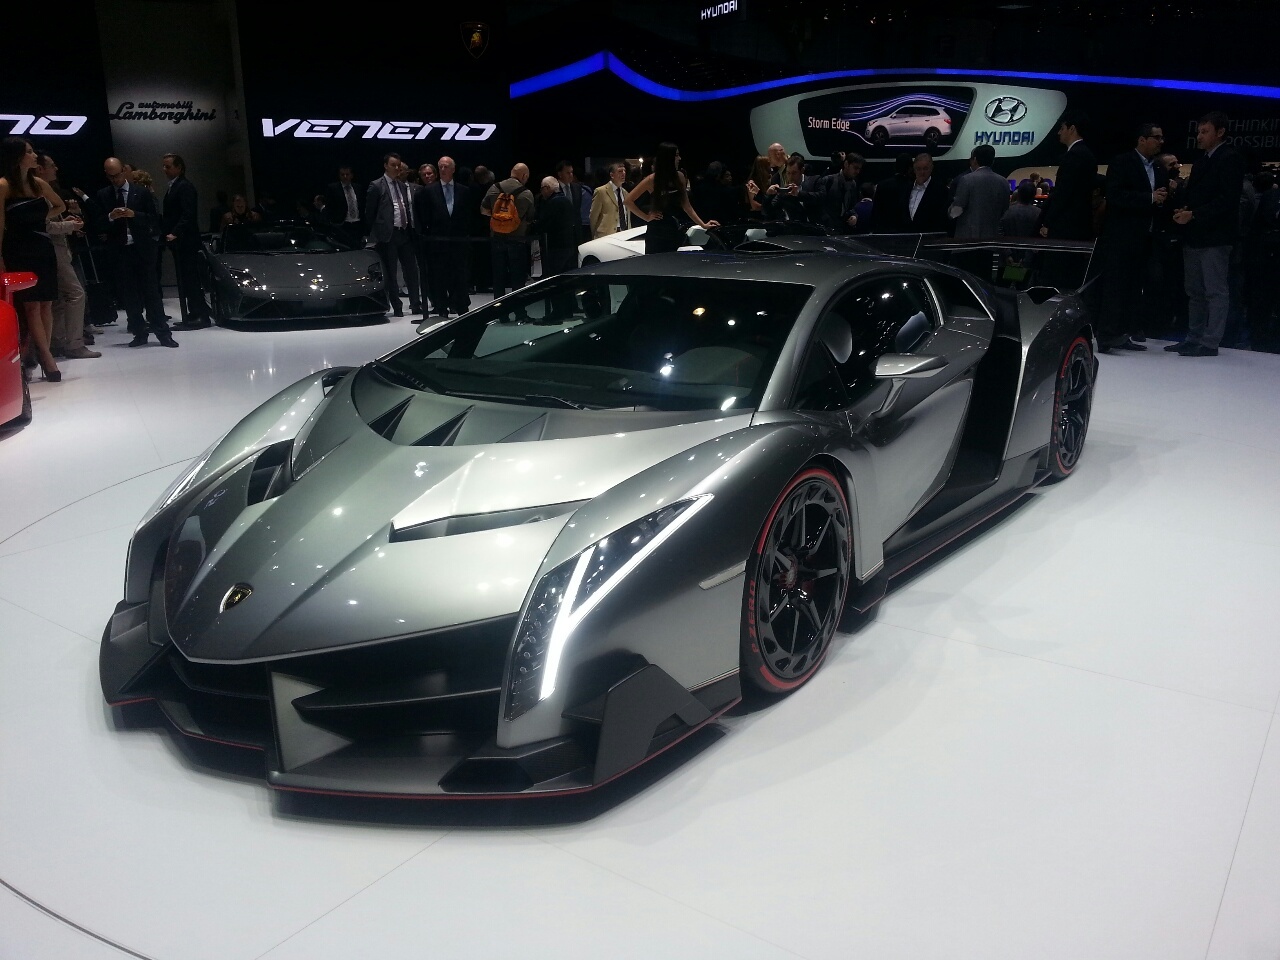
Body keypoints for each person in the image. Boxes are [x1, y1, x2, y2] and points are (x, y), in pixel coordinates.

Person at [1168, 111, 1246, 357]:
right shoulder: (1202, 160)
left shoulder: (1230, 158)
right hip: (1195, 235)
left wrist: (1194, 214)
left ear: (1220, 132)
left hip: (1215, 237)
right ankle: (1194, 337)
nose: (1199, 136)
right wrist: (1185, 210)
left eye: (1205, 132)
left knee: (1214, 290)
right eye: (1198, 132)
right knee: (1195, 291)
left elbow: (1227, 200)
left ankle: (1210, 341)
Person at [1095, 123, 1170, 352]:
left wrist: (1164, 202)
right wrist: (1149, 198)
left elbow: (1159, 198)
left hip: (1147, 237)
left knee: (1134, 288)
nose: (1161, 142)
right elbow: (1115, 196)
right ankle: (1107, 335)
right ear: (1142, 139)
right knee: (1115, 286)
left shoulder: (1159, 168)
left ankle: (1124, 333)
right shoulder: (1122, 162)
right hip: (1121, 236)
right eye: (1157, 137)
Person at [1, 137, 66, 380]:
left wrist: (38, 218)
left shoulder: (38, 183)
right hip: (18, 249)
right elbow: (0, 224)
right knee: (31, 306)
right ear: (17, 156)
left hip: (42, 247)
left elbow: (59, 206)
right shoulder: (4, 185)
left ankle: (40, 353)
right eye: (29, 151)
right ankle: (47, 359)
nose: (34, 155)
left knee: (46, 304)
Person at [95, 157, 176, 347]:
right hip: (120, 251)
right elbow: (97, 224)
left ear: (124, 171)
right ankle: (139, 333)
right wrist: (110, 216)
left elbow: (154, 219)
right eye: (110, 176)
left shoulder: (141, 192)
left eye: (117, 175)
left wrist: (134, 215)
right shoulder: (103, 195)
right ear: (106, 175)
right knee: (129, 295)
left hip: (142, 249)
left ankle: (163, 333)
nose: (115, 179)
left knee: (151, 293)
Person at [34, 153, 98, 360]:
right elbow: (44, 225)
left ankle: (58, 341)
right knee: (76, 293)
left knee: (60, 298)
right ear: (41, 169)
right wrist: (70, 225)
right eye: (52, 165)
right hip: (54, 249)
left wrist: (66, 221)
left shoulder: (40, 189)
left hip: (55, 249)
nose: (56, 169)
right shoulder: (39, 191)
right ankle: (74, 344)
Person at [625, 143, 719, 255]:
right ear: (668, 158)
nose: (680, 158)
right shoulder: (652, 179)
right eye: (677, 155)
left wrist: (703, 225)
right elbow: (628, 201)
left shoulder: (680, 177)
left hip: (673, 229)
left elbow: (687, 206)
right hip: (656, 233)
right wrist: (646, 217)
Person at [412, 156, 471, 317]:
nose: (443, 169)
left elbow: (468, 216)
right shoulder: (428, 191)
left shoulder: (464, 191)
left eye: (446, 166)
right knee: (438, 278)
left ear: (453, 169)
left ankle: (461, 307)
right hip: (437, 243)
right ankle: (441, 309)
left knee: (459, 276)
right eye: (441, 167)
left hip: (458, 243)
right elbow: (424, 216)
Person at [364, 152, 421, 317]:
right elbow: (370, 213)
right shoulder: (376, 186)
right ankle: (397, 306)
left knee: (411, 270)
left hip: (404, 232)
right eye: (393, 165)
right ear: (385, 166)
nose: (396, 168)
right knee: (391, 273)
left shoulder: (402, 186)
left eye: (398, 165)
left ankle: (416, 304)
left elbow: (404, 207)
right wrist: (375, 233)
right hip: (388, 235)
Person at [160, 153, 211, 330]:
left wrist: (175, 232)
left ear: (179, 167)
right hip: (181, 241)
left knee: (190, 279)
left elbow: (188, 214)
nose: (164, 169)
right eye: (164, 166)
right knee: (186, 279)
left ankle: (201, 315)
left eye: (168, 166)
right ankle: (195, 312)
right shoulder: (176, 186)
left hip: (186, 241)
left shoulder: (184, 186)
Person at [1039, 111, 1098, 240]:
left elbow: (1063, 192)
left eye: (1062, 128)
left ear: (1072, 129)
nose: (1059, 132)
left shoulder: (1074, 155)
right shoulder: (1086, 154)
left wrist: (1048, 222)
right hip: (1081, 223)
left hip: (1067, 226)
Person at [480, 162, 536, 298]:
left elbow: (483, 210)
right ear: (524, 176)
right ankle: (518, 308)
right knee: (518, 279)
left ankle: (499, 309)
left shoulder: (494, 188)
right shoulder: (527, 193)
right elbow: (530, 218)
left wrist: (499, 217)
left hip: (497, 238)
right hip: (517, 239)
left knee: (498, 277)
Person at [949, 144, 1011, 239]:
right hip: (993, 239)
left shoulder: (966, 180)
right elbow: (1005, 211)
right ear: (993, 161)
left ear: (975, 159)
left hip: (967, 239)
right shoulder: (1004, 182)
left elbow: (956, 211)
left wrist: (949, 211)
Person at [537, 176, 578, 277]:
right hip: (569, 245)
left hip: (556, 247)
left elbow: (545, 225)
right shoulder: (567, 200)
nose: (541, 192)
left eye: (542, 189)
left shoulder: (552, 203)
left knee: (554, 275)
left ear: (547, 188)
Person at [905, 153, 950, 233]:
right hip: (907, 236)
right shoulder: (906, 189)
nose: (922, 172)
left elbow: (942, 219)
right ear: (914, 169)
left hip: (930, 236)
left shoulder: (941, 190)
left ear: (931, 168)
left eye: (925, 168)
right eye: (918, 169)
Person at [872, 154, 914, 232]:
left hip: (884, 231)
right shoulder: (911, 187)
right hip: (905, 232)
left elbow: (875, 211)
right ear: (910, 168)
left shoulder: (882, 185)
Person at [325, 166, 365, 247]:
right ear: (339, 176)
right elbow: (329, 207)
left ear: (351, 175)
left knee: (357, 247)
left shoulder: (358, 187)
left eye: (347, 174)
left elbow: (362, 205)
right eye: (342, 175)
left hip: (357, 223)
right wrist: (333, 222)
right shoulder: (333, 188)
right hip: (342, 224)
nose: (345, 177)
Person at [590, 162, 632, 239]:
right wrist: (595, 235)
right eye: (620, 171)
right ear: (612, 175)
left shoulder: (625, 193)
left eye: (624, 171)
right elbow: (593, 216)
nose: (623, 173)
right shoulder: (601, 191)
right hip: (605, 235)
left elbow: (627, 216)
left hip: (624, 234)